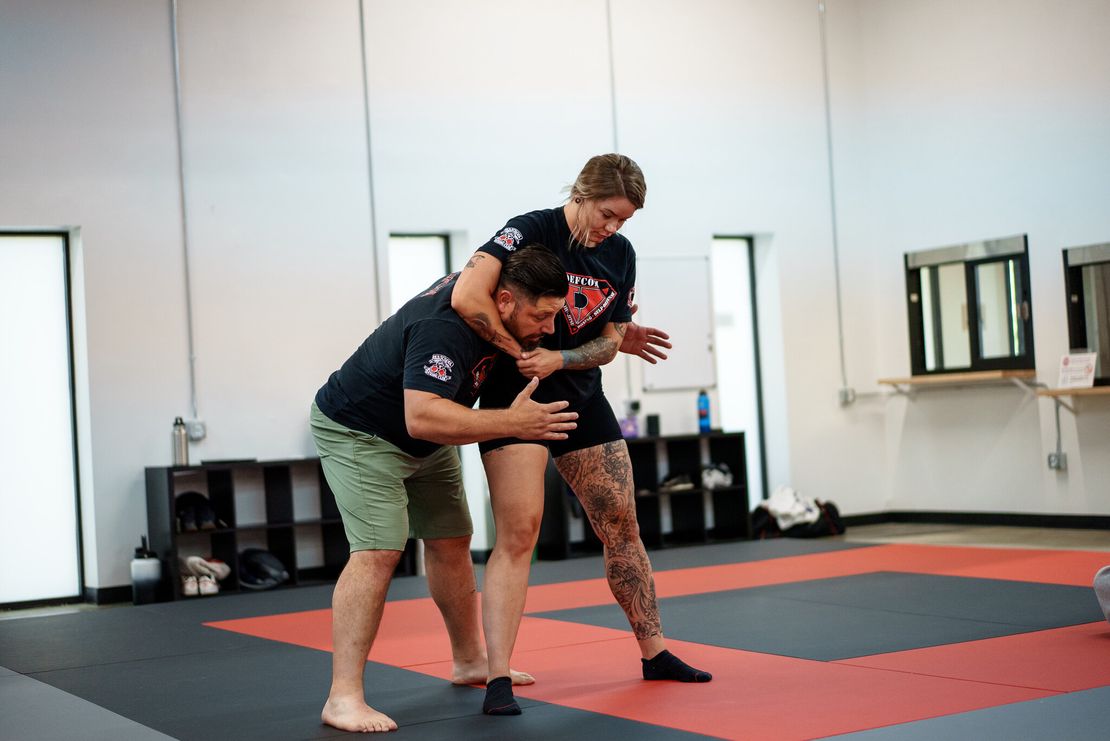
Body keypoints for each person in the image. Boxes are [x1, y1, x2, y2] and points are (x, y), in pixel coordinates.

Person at [452, 153, 711, 717]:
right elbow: (468, 297)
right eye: (608, 214)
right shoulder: (530, 230)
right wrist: (522, 355)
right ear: (584, 193)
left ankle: (655, 651)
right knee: (520, 533)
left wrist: (562, 356)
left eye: (624, 220)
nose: (612, 228)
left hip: (582, 396)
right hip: (513, 394)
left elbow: (610, 340)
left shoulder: (619, 254)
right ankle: (497, 677)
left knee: (622, 523)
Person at [311, 244, 577, 733]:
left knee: (453, 539)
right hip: (359, 428)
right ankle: (342, 697)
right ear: (502, 301)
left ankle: (470, 660)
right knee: (378, 550)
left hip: (423, 438)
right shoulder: (446, 328)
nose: (546, 327)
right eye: (540, 316)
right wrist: (514, 422)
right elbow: (422, 414)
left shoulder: (494, 308)